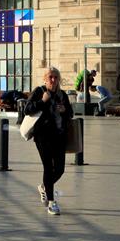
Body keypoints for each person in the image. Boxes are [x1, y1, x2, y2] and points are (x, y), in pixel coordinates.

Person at [24, 66, 73, 216]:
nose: (53, 80)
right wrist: (42, 101)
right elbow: (27, 109)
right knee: (48, 167)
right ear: (45, 79)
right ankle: (52, 203)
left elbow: (70, 113)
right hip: (43, 137)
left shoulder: (62, 95)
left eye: (55, 77)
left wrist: (65, 111)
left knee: (60, 169)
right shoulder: (39, 92)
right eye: (50, 77)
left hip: (59, 136)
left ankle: (45, 187)